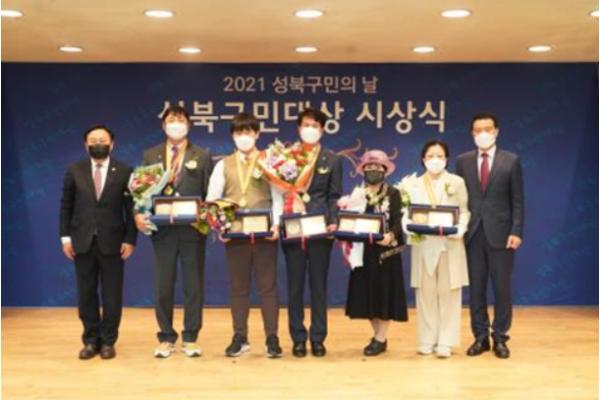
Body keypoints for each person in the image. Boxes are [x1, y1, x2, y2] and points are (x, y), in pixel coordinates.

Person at [134, 105, 213, 358]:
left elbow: (210, 194)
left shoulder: (202, 155)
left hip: (192, 230)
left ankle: (190, 337)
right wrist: (138, 213)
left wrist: (207, 216)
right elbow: (141, 192)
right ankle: (166, 337)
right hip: (163, 230)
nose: (175, 124)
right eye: (171, 120)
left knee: (193, 284)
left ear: (189, 125)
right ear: (163, 125)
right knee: (163, 284)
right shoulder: (151, 154)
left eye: (180, 120)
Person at [206, 113, 283, 358]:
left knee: (268, 287)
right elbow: (212, 199)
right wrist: (220, 227)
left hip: (265, 234)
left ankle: (272, 338)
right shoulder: (223, 165)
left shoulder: (270, 162)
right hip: (236, 236)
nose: (244, 137)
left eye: (248, 132)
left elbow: (278, 197)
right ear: (233, 136)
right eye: (239, 133)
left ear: (257, 134)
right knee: (238, 288)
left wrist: (277, 225)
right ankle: (240, 336)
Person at [59, 125, 137, 360]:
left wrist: (130, 240)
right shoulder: (74, 170)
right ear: (86, 145)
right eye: (93, 140)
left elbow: (131, 209)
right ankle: (91, 340)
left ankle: (108, 341)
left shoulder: (125, 171)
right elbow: (66, 206)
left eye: (102, 140)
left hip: (113, 242)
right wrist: (65, 238)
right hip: (82, 242)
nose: (98, 144)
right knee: (86, 293)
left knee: (112, 294)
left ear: (112, 144)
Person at [456, 113, 524, 359]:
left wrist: (516, 230)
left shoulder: (511, 161)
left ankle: (501, 337)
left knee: (502, 288)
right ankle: (480, 337)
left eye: (487, 128)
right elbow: (459, 200)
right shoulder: (463, 161)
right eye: (478, 130)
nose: (483, 133)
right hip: (473, 234)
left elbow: (517, 200)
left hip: (502, 234)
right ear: (472, 134)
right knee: (476, 288)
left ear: (496, 131)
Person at [282, 108, 343, 357]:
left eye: (315, 126)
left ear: (322, 130)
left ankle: (318, 337)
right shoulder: (285, 157)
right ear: (299, 128)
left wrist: (333, 221)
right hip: (293, 227)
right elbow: (280, 192)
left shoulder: (332, 159)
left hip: (320, 229)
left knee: (319, 285)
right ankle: (298, 337)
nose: (310, 129)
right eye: (306, 125)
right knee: (294, 285)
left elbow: (334, 195)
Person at [401, 140, 470, 358]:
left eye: (440, 156)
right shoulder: (412, 184)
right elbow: (407, 211)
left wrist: (461, 227)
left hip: (450, 244)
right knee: (425, 293)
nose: (435, 160)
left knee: (449, 293)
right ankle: (426, 339)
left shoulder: (457, 182)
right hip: (423, 244)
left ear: (446, 159)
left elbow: (464, 211)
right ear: (423, 159)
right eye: (430, 156)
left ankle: (446, 342)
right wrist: (405, 223)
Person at [343, 150, 408, 356]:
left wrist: (391, 234)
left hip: (386, 252)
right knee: (366, 296)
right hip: (363, 251)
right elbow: (349, 220)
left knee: (385, 294)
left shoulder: (393, 193)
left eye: (378, 167)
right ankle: (379, 336)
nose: (373, 170)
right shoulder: (357, 194)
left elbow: (398, 220)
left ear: (385, 170)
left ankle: (380, 339)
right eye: (369, 167)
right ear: (363, 170)